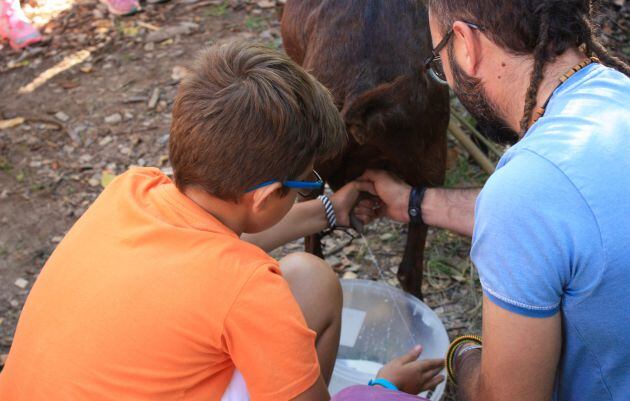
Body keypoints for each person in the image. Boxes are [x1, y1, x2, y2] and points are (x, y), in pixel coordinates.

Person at [0, 42, 445, 401]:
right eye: (307, 183)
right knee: (311, 279)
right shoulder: (250, 291)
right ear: (269, 195)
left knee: (306, 278)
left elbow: (203, 257)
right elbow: (227, 279)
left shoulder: (132, 191)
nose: (311, 187)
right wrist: (383, 390)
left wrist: (327, 210)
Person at [358, 1, 630, 400]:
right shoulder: (615, 94)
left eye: (439, 60)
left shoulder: (527, 194)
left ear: (466, 45)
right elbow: (569, 216)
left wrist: (462, 354)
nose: (447, 79)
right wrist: (412, 203)